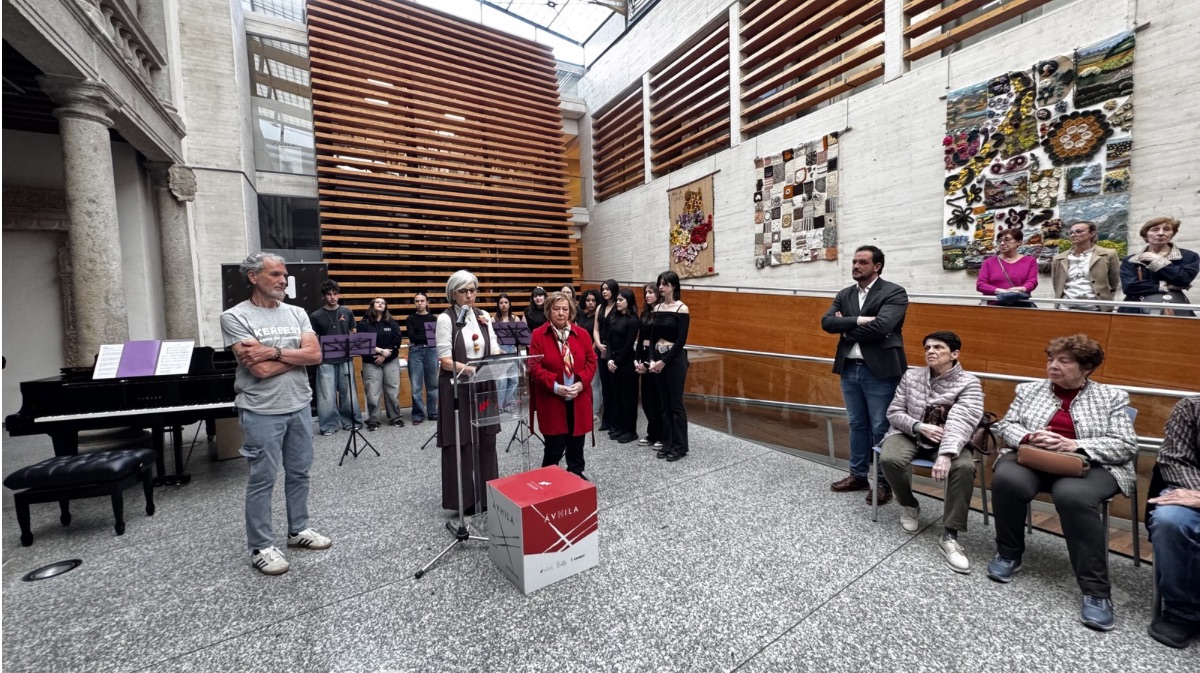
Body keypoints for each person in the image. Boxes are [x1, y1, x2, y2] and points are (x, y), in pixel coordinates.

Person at [986, 334, 1136, 632]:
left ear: (1086, 367)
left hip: (1091, 465)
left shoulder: (1111, 397)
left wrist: (1074, 445)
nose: (1053, 366)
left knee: (1072, 496)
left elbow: (1125, 445)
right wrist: (1030, 436)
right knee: (1007, 479)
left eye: (1063, 361)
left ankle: (1095, 590)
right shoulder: (1029, 390)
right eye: (1050, 359)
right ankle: (1008, 553)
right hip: (1034, 456)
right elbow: (1006, 425)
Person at [219, 252, 332, 576]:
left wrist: (273, 351)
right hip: (261, 410)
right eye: (275, 274)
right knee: (262, 479)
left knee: (299, 472)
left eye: (284, 274)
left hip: (299, 404)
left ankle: (298, 530)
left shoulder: (297, 313)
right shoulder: (234, 317)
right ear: (253, 277)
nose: (283, 280)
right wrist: (295, 356)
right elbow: (261, 370)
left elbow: (316, 354)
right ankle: (261, 546)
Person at [879, 331, 984, 574]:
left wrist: (946, 454)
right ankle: (910, 505)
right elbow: (894, 411)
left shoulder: (969, 382)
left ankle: (950, 535)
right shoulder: (911, 375)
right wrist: (918, 426)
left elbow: (963, 421)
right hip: (909, 433)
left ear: (954, 354)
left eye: (938, 347)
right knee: (890, 458)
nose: (931, 351)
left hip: (948, 439)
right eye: (927, 347)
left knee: (964, 467)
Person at [821, 245, 909, 504]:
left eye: (862, 262)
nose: (856, 266)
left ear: (877, 266)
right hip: (850, 368)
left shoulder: (894, 292)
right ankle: (858, 475)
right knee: (857, 425)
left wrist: (845, 327)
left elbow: (883, 326)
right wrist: (860, 321)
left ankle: (883, 483)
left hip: (880, 370)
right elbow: (827, 322)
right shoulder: (844, 294)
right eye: (854, 262)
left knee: (881, 426)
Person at [436, 270, 502, 515]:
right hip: (458, 386)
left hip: (483, 385)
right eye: (463, 291)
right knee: (462, 441)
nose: (469, 295)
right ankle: (464, 500)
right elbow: (445, 360)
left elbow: (493, 347)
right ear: (452, 293)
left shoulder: (483, 316)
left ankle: (488, 497)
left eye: (473, 290)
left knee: (487, 439)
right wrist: (471, 370)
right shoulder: (446, 319)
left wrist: (499, 359)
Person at [1146, 396, 1200, 649]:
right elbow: (1175, 459)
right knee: (1170, 520)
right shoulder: (1191, 407)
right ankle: (1182, 611)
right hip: (1192, 489)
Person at [528, 292, 597, 479]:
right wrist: (556, 386)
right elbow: (534, 366)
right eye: (556, 309)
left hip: (578, 397)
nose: (560, 313)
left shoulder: (582, 334)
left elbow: (592, 361)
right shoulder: (538, 335)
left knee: (577, 440)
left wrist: (581, 383)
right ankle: (548, 478)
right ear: (548, 311)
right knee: (555, 444)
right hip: (552, 398)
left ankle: (576, 472)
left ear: (571, 311)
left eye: (565, 309)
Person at [309, 279, 363, 435]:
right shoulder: (316, 315)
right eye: (329, 294)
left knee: (349, 394)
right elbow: (314, 338)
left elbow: (352, 333)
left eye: (335, 294)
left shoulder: (347, 312)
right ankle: (328, 426)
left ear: (339, 295)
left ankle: (352, 422)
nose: (332, 297)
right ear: (324, 296)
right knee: (327, 396)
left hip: (345, 359)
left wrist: (353, 347)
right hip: (326, 361)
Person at [1119, 216, 1199, 316]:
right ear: (1145, 234)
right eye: (1155, 229)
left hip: (1175, 307)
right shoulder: (1131, 260)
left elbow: (1184, 279)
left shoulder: (1188, 256)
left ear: (1172, 234)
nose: (1161, 233)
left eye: (1167, 229)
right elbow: (1129, 287)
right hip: (1135, 310)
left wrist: (1158, 261)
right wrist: (1166, 286)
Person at [648, 271, 690, 461]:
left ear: (673, 286)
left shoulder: (682, 308)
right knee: (663, 404)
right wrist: (652, 359)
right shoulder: (657, 308)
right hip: (658, 357)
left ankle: (680, 446)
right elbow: (652, 337)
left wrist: (663, 362)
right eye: (660, 283)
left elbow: (681, 341)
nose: (660, 287)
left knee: (675, 405)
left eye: (664, 284)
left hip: (674, 360)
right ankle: (667, 443)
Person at [1051, 220, 1121, 311]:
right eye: (1071, 232)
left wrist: (1107, 300)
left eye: (1078, 231)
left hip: (1096, 308)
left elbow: (1114, 282)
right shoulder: (1059, 258)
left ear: (1091, 234)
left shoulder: (1108, 254)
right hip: (1065, 307)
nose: (1073, 235)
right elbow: (1057, 285)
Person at [358, 297, 404, 430]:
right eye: (378, 302)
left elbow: (397, 340)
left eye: (383, 303)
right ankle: (373, 420)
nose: (380, 304)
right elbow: (362, 343)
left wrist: (384, 355)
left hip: (390, 361)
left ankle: (395, 417)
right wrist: (380, 351)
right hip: (370, 362)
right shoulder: (363, 324)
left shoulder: (392, 323)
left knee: (392, 391)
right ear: (372, 305)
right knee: (372, 393)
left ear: (385, 307)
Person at [607, 288, 641, 444]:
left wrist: (616, 361)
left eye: (621, 300)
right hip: (614, 361)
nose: (618, 302)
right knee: (617, 397)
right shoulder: (614, 317)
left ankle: (631, 430)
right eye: (617, 300)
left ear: (629, 301)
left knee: (628, 398)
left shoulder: (633, 320)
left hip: (626, 363)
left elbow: (629, 345)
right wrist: (609, 359)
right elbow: (608, 340)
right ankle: (620, 427)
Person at [977, 228, 1038, 307]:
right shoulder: (989, 262)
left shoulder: (1030, 261)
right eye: (1000, 241)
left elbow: (1032, 281)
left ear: (1019, 242)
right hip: (994, 306)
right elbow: (980, 284)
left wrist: (1022, 289)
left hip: (1021, 306)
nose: (1002, 243)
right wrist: (1001, 291)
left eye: (1007, 240)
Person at [635, 283, 663, 449]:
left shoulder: (661, 314)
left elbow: (657, 340)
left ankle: (660, 434)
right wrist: (637, 360)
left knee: (655, 399)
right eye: (646, 292)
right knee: (646, 400)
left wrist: (647, 363)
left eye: (651, 292)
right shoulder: (645, 313)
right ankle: (652, 433)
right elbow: (640, 339)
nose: (647, 295)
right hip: (644, 354)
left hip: (655, 358)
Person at [404, 292, 439, 426]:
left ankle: (433, 412)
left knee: (432, 384)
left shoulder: (433, 319)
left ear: (427, 302)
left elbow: (436, 337)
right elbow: (412, 337)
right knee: (416, 384)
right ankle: (418, 414)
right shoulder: (410, 319)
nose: (419, 303)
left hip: (431, 351)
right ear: (414, 303)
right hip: (416, 351)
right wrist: (426, 336)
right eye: (417, 301)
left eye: (422, 301)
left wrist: (422, 336)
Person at [594, 279, 620, 433]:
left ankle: (616, 421)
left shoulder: (618, 306)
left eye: (608, 289)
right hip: (601, 348)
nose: (604, 292)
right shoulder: (600, 307)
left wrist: (608, 348)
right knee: (605, 387)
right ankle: (607, 420)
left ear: (614, 290)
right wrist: (598, 344)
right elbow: (596, 329)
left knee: (614, 387)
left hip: (614, 350)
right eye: (603, 289)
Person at [576, 289, 603, 422]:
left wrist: (589, 352)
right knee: (584, 383)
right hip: (581, 355)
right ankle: (586, 410)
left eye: (593, 300)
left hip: (593, 354)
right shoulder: (581, 316)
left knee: (594, 384)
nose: (590, 303)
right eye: (588, 300)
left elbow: (596, 335)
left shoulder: (598, 317)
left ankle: (595, 413)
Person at [494, 293, 520, 412]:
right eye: (501, 303)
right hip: (500, 350)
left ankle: (510, 404)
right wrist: (498, 349)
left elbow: (520, 337)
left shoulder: (515, 319)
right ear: (498, 305)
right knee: (502, 380)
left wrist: (516, 347)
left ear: (509, 304)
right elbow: (491, 338)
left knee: (514, 379)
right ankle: (499, 406)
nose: (503, 305)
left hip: (512, 350)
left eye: (506, 302)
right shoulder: (493, 319)